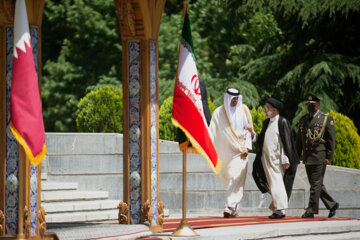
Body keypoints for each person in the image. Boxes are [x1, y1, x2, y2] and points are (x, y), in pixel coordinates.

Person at [250, 98, 299, 219]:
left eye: (267, 108)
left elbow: (286, 142)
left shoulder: (282, 122)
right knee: (273, 185)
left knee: (277, 184)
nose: (265, 110)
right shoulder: (267, 122)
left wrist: (285, 159)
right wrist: (253, 134)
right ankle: (277, 208)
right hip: (265, 159)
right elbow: (261, 140)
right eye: (265, 107)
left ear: (275, 110)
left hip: (277, 160)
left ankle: (280, 210)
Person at [209, 87, 253, 218]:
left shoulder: (244, 110)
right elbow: (212, 130)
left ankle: (228, 205)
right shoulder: (219, 112)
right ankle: (235, 207)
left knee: (235, 176)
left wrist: (247, 147)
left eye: (237, 98)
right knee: (232, 178)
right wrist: (205, 145)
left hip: (240, 151)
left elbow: (249, 131)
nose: (235, 101)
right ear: (227, 98)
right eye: (233, 98)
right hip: (226, 151)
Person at [296, 93, 339, 218]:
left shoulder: (326, 118)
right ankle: (332, 204)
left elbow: (331, 139)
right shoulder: (303, 119)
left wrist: (329, 156)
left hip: (320, 156)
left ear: (318, 105)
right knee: (317, 184)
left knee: (315, 185)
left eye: (313, 104)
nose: (311, 106)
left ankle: (311, 210)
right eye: (309, 104)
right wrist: (296, 156)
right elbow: (299, 140)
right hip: (308, 157)